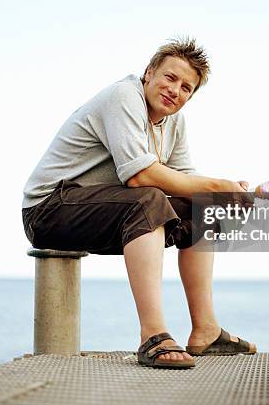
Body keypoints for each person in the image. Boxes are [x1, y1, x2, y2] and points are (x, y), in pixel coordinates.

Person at [22, 37, 256, 369]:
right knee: (148, 198)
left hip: (101, 210)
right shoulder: (123, 96)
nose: (176, 90)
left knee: (202, 207)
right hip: (49, 209)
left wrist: (225, 195)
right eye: (170, 78)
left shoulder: (175, 122)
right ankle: (153, 335)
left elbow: (186, 182)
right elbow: (140, 177)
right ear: (148, 73)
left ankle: (206, 329)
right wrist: (218, 184)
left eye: (186, 88)